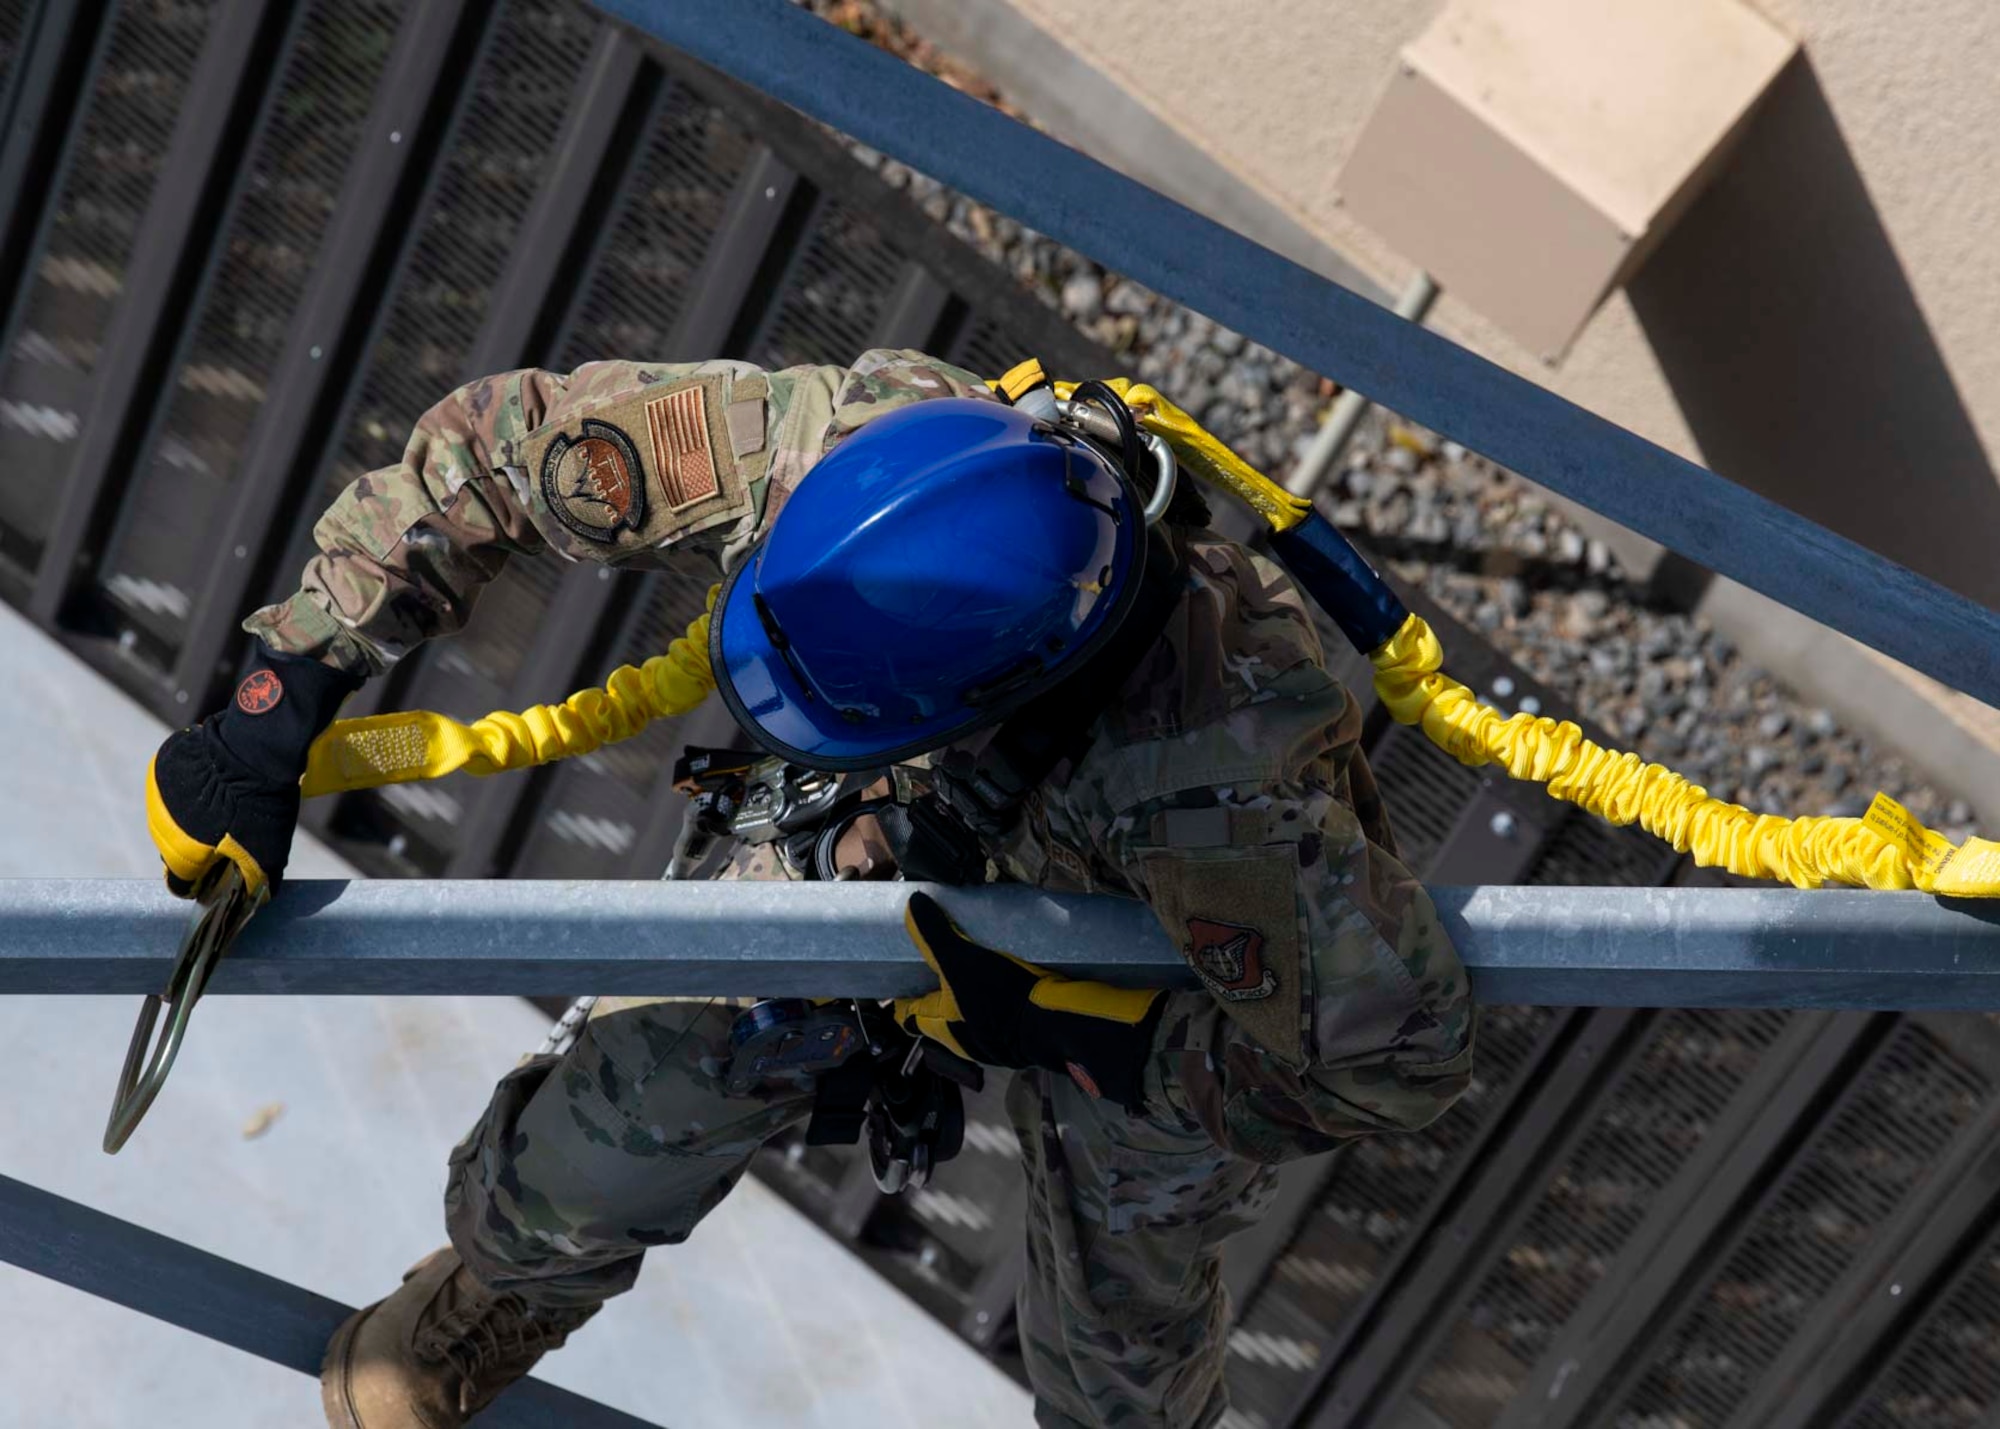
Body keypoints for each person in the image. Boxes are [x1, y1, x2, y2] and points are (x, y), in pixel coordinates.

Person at [145, 348, 1474, 1429]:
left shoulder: (1221, 791)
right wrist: (278, 698)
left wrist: (1077, 1029)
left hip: (1147, 964)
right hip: (887, 832)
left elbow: (1393, 1058)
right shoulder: (853, 456)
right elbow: (499, 449)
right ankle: (507, 1280)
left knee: (1120, 1360)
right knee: (607, 1130)